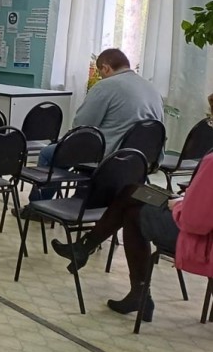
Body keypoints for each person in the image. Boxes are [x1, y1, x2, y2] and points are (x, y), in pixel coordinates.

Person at [51, 150, 213, 320]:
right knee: (133, 192)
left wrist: (179, 205)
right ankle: (84, 249)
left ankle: (136, 290)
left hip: (199, 236)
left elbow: (194, 221)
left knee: (133, 214)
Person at [30, 48, 164, 201]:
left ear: (105, 68)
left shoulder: (106, 86)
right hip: (143, 159)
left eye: (100, 73)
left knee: (48, 154)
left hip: (108, 156)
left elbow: (82, 126)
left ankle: (37, 206)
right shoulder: (152, 89)